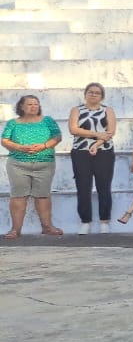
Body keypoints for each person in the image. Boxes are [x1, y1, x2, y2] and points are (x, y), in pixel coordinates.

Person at [3, 94, 62, 237]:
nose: (33, 106)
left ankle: (47, 227)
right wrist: (19, 147)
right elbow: (4, 140)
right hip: (18, 165)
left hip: (44, 164)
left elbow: (57, 137)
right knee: (18, 196)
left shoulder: (48, 121)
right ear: (21, 107)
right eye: (29, 104)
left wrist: (44, 146)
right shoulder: (12, 123)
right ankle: (15, 230)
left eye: (36, 104)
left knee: (43, 196)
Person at [64, 81, 117, 234]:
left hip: (104, 151)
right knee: (83, 186)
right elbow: (73, 129)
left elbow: (110, 132)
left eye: (97, 93)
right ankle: (85, 221)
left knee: (104, 186)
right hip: (80, 152)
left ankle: (104, 221)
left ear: (102, 96)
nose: (93, 94)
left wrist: (96, 144)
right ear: (85, 94)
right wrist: (96, 134)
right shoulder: (76, 110)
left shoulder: (108, 110)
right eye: (91, 92)